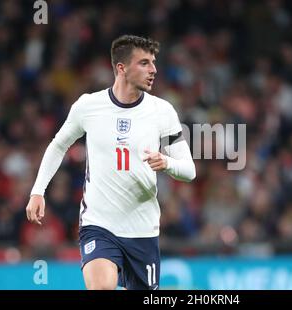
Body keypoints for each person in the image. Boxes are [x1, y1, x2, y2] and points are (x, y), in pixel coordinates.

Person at [25, 35, 196, 290]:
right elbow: (58, 145)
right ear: (121, 68)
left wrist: (167, 163)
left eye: (153, 63)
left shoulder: (163, 111)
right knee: (101, 288)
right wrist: (38, 191)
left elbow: (189, 171)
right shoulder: (88, 106)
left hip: (142, 229)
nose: (154, 70)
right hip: (99, 224)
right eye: (145, 63)